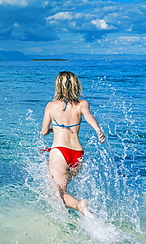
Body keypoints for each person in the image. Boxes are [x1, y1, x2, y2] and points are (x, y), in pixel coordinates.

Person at [40, 71, 105, 217]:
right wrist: (98, 130)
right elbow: (89, 116)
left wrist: (54, 129)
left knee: (57, 193)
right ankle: (69, 214)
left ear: (58, 86)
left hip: (60, 152)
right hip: (78, 153)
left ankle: (78, 206)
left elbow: (43, 131)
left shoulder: (51, 106)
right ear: (76, 85)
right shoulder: (82, 104)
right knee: (61, 188)